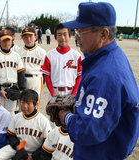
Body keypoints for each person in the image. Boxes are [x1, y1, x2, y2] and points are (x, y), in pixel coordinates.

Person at [58, 2, 139, 159]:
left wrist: (66, 116)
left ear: (103, 34)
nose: (76, 36)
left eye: (81, 31)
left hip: (99, 154)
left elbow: (87, 131)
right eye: (76, 31)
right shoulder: (109, 56)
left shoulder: (105, 74)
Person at [0, 89, 51, 160]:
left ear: (36, 104)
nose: (24, 106)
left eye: (28, 103)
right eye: (22, 102)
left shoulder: (43, 121)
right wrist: (18, 146)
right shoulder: (16, 117)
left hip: (36, 152)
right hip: (19, 148)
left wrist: (33, 156)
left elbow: (47, 143)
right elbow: (10, 136)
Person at [0, 29, 26, 116]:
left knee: (11, 113)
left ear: (12, 41)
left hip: (12, 88)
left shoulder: (16, 55)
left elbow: (21, 73)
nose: (6, 43)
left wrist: (22, 89)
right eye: (4, 40)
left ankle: (10, 130)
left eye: (8, 40)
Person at [41, 23, 82, 101]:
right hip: (55, 92)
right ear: (55, 37)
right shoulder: (49, 55)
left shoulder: (76, 56)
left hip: (71, 92)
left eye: (65, 34)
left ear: (70, 36)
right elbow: (47, 76)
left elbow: (79, 76)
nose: (62, 37)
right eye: (59, 35)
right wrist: (52, 93)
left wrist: (74, 93)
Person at [18, 27, 46, 106]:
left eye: (31, 36)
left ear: (36, 37)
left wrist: (41, 81)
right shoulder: (18, 52)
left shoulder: (41, 52)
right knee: (22, 104)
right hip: (21, 80)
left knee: (34, 104)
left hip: (35, 79)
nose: (28, 39)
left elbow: (45, 70)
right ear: (22, 38)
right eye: (25, 37)